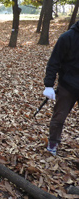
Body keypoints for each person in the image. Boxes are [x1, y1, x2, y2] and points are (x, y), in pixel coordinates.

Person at [43, 20, 79, 156]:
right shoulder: (67, 37)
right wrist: (48, 85)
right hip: (68, 85)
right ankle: (53, 143)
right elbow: (54, 62)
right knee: (59, 117)